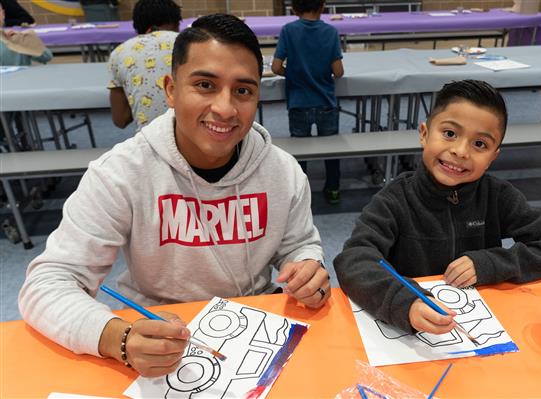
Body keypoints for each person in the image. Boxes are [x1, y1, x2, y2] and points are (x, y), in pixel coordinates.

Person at [19, 13, 330, 378]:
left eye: (243, 91)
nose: (225, 109)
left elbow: (300, 246)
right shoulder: (120, 173)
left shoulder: (283, 171)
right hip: (156, 339)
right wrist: (118, 337)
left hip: (257, 335)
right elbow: (47, 283)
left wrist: (309, 268)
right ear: (170, 89)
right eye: (205, 85)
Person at [334, 80, 541, 336]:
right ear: (424, 134)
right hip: (412, 335)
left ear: (493, 156)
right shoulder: (395, 199)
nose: (460, 151)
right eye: (450, 134)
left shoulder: (497, 195)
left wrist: (492, 262)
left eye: (480, 145)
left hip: (483, 326)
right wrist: (406, 302)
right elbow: (354, 260)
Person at [271, 0, 344, 204]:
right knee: (332, 149)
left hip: (298, 103)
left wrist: (293, 74)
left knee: (299, 152)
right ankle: (333, 188)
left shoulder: (288, 30)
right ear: (322, 6)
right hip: (325, 102)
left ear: (294, 9)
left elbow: (276, 67)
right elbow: (338, 72)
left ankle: (302, 192)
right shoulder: (330, 32)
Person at [107, 0, 181, 131]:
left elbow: (120, 119)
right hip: (195, 139)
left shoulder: (119, 53)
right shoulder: (190, 44)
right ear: (176, 23)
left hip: (149, 143)